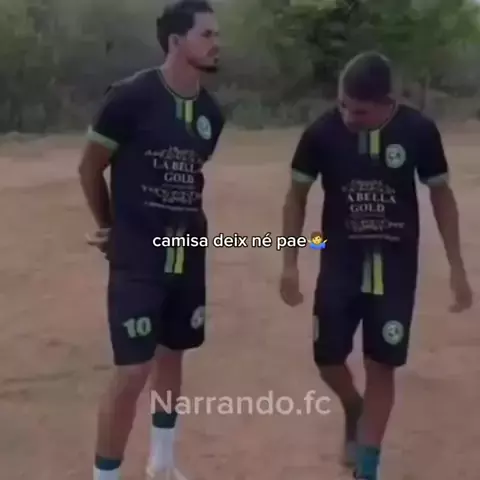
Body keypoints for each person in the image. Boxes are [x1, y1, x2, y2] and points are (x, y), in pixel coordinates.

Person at [279, 51, 473, 480]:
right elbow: (296, 197)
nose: (349, 116)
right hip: (339, 265)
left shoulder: (418, 132)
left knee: (381, 365)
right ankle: (353, 406)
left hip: (396, 269)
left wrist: (457, 267)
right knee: (328, 359)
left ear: (388, 103)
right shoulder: (321, 133)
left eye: (360, 111)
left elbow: (442, 197)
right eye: (343, 105)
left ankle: (367, 468)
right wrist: (289, 261)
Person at [77, 1, 224, 479]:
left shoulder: (211, 114)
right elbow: (90, 167)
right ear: (176, 41)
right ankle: (106, 475)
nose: (216, 43)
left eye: (216, 34)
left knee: (172, 354)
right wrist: (110, 225)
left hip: (189, 253)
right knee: (132, 370)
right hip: (138, 256)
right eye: (206, 34)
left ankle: (162, 462)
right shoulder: (130, 98)